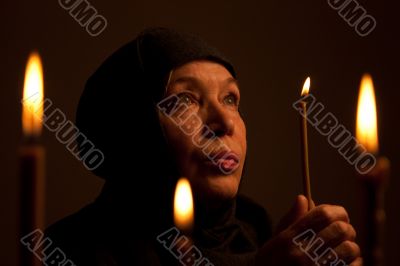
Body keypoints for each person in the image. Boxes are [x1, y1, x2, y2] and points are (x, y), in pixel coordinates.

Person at [45, 27, 362, 265]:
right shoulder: (69, 250)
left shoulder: (262, 233)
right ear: (133, 127)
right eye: (184, 100)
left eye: (230, 98)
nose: (225, 123)